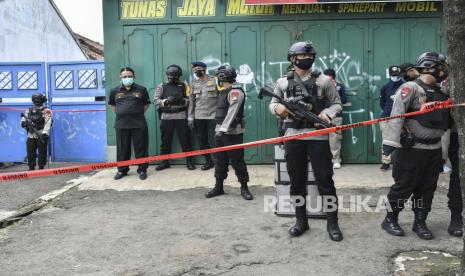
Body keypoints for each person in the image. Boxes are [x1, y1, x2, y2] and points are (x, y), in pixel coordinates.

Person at [269, 41, 343, 241]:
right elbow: (273, 102)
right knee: (297, 180)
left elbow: (336, 103)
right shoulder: (283, 82)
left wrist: (327, 114)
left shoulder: (324, 81)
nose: (307, 59)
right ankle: (301, 221)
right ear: (293, 59)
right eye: (303, 56)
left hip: (317, 135)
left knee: (325, 179)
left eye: (310, 56)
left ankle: (332, 222)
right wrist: (278, 109)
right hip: (293, 134)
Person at [381, 52, 450, 240]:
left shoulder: (440, 92)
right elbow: (396, 117)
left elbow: (445, 126)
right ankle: (390, 219)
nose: (443, 70)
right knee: (403, 187)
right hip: (412, 150)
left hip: (434, 150)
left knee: (427, 188)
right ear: (429, 67)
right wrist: (389, 145)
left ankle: (420, 222)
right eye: (440, 66)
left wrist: (444, 153)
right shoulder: (410, 88)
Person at [205, 65, 253, 201]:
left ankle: (244, 187)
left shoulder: (235, 92)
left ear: (222, 77)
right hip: (220, 130)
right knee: (220, 160)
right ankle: (218, 186)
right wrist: (219, 129)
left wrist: (222, 130)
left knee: (237, 160)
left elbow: (232, 113)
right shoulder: (223, 91)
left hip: (232, 132)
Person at [108, 67, 150, 180]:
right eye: (125, 76)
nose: (127, 78)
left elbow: (146, 104)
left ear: (134, 76)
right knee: (122, 149)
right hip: (121, 124)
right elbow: (112, 105)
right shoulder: (114, 90)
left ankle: (142, 169)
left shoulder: (142, 89)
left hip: (139, 123)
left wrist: (136, 113)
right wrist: (122, 113)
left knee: (141, 148)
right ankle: (122, 170)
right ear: (120, 77)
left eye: (130, 76)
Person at [155, 65, 195, 171]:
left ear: (179, 76)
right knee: (165, 141)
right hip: (166, 117)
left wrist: (182, 101)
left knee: (185, 140)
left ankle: (189, 161)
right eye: (170, 75)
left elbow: (190, 101)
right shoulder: (161, 86)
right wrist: (166, 101)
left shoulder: (184, 86)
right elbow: (156, 100)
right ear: (167, 75)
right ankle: (164, 162)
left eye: (175, 76)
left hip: (181, 116)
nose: (172, 78)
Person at [188, 61, 218, 171]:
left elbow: (221, 98)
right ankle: (208, 161)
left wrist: (220, 115)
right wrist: (190, 117)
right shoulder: (194, 84)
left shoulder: (215, 81)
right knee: (201, 141)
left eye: (199, 69)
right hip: (198, 117)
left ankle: (217, 163)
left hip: (213, 116)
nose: (197, 71)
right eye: (195, 70)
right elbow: (191, 101)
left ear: (204, 69)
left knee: (213, 140)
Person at [379, 65, 404, 171]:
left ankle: (401, 161)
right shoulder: (385, 87)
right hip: (386, 116)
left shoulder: (405, 86)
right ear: (390, 75)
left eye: (397, 75)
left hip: (401, 118)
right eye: (393, 75)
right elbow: (382, 102)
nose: (395, 77)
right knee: (386, 140)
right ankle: (386, 162)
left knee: (403, 139)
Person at [20, 93, 52, 170]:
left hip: (41, 133)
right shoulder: (29, 110)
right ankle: (31, 166)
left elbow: (48, 122)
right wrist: (23, 123)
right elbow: (24, 119)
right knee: (30, 151)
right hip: (31, 134)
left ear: (42, 101)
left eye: (38, 100)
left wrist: (45, 133)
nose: (37, 101)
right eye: (35, 100)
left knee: (42, 152)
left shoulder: (46, 110)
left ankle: (41, 167)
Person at [323, 68, 347, 169]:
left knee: (335, 139)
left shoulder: (340, 87)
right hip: (323, 116)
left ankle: (336, 160)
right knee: (321, 139)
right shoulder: (321, 87)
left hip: (336, 116)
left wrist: (335, 92)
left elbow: (344, 100)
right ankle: (322, 160)